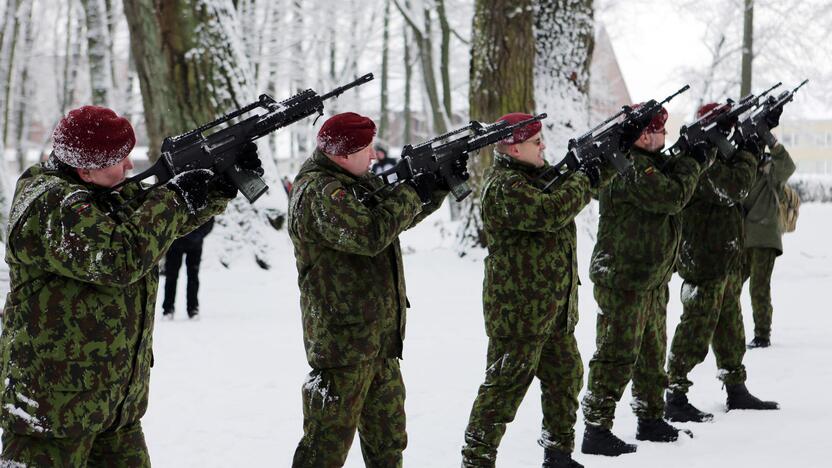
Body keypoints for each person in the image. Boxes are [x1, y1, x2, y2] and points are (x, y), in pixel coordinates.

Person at [0, 106, 255, 466]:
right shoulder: (50, 204)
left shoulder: (101, 190)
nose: (130, 167)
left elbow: (151, 227)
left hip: (112, 405)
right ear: (85, 168)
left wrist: (216, 187)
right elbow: (121, 257)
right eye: (119, 160)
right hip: (51, 413)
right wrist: (176, 197)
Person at [288, 112, 451, 467]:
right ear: (343, 154)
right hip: (343, 347)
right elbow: (370, 234)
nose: (375, 156)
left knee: (389, 442)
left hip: (377, 340)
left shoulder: (353, 180)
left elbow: (393, 217)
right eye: (368, 149)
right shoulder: (320, 192)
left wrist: (437, 184)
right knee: (325, 449)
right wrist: (411, 193)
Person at [460, 113, 615, 468]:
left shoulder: (536, 177)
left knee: (566, 380)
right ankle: (476, 461)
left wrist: (601, 162)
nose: (543, 145)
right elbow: (551, 211)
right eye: (535, 142)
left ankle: (558, 453)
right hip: (519, 316)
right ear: (514, 148)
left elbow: (576, 188)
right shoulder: (504, 186)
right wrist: (581, 178)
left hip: (554, 312)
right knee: (502, 392)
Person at [581, 105, 710, 456]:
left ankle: (650, 417)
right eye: (658, 132)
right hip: (624, 277)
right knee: (616, 354)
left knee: (652, 353)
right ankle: (596, 426)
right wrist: (692, 160)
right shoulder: (628, 167)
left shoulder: (645, 163)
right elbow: (672, 196)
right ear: (642, 135)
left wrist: (692, 151)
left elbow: (669, 178)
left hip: (650, 277)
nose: (663, 138)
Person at [665, 103, 781, 423]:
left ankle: (736, 387)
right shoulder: (698, 160)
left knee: (731, 324)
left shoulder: (715, 155)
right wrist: (749, 149)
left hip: (725, 255)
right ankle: (674, 393)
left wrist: (753, 136)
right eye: (723, 129)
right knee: (696, 326)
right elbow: (736, 187)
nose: (727, 135)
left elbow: (741, 175)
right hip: (703, 258)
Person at [741, 124, 795, 349]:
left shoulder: (769, 171)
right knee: (729, 286)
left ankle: (762, 334)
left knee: (758, 287)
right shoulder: (742, 169)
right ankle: (725, 331)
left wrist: (772, 142)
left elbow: (788, 166)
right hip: (744, 238)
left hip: (764, 238)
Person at [162, 217, 215, 320]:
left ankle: (193, 309)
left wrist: (198, 235)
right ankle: (168, 310)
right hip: (175, 244)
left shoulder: (203, 201)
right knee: (171, 277)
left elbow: (210, 219)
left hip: (195, 245)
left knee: (193, 277)